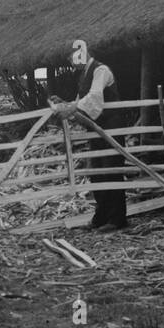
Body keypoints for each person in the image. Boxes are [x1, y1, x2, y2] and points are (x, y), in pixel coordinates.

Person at [51, 49, 132, 232]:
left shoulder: (100, 70)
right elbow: (80, 104)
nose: (71, 63)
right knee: (97, 172)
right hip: (96, 128)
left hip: (112, 124)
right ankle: (101, 217)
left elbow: (94, 98)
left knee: (111, 170)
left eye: (71, 58)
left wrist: (71, 107)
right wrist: (64, 103)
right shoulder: (84, 75)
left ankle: (117, 219)